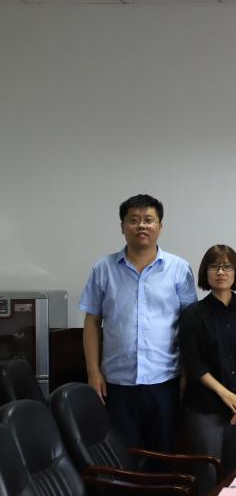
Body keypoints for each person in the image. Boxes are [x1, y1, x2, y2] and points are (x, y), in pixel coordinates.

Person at [79, 194, 197, 453]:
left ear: (160, 226)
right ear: (122, 226)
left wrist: (187, 376)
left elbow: (190, 327)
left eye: (148, 220)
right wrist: (93, 372)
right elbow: (92, 322)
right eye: (133, 220)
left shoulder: (178, 268)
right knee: (121, 456)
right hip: (116, 383)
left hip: (165, 380)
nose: (141, 225)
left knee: (162, 455)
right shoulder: (103, 268)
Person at [179, 245, 236, 493]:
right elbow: (193, 363)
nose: (221, 272)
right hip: (205, 407)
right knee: (207, 475)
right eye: (214, 266)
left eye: (227, 266)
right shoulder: (192, 314)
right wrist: (226, 395)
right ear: (205, 272)